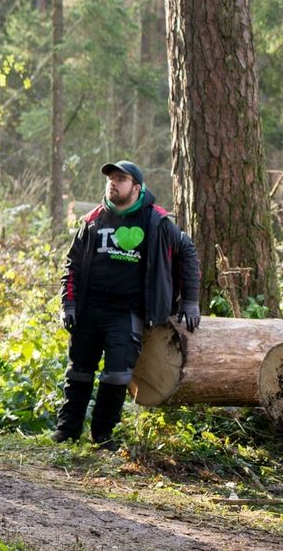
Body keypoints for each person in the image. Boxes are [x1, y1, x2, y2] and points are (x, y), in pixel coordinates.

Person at [55, 160, 201, 450]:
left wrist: (191, 300)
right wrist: (68, 304)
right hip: (88, 310)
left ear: (136, 187)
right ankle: (67, 431)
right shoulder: (93, 220)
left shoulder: (156, 221)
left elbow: (188, 252)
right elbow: (72, 266)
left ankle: (102, 435)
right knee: (79, 371)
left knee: (117, 374)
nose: (113, 183)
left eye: (120, 179)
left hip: (128, 313)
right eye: (110, 178)